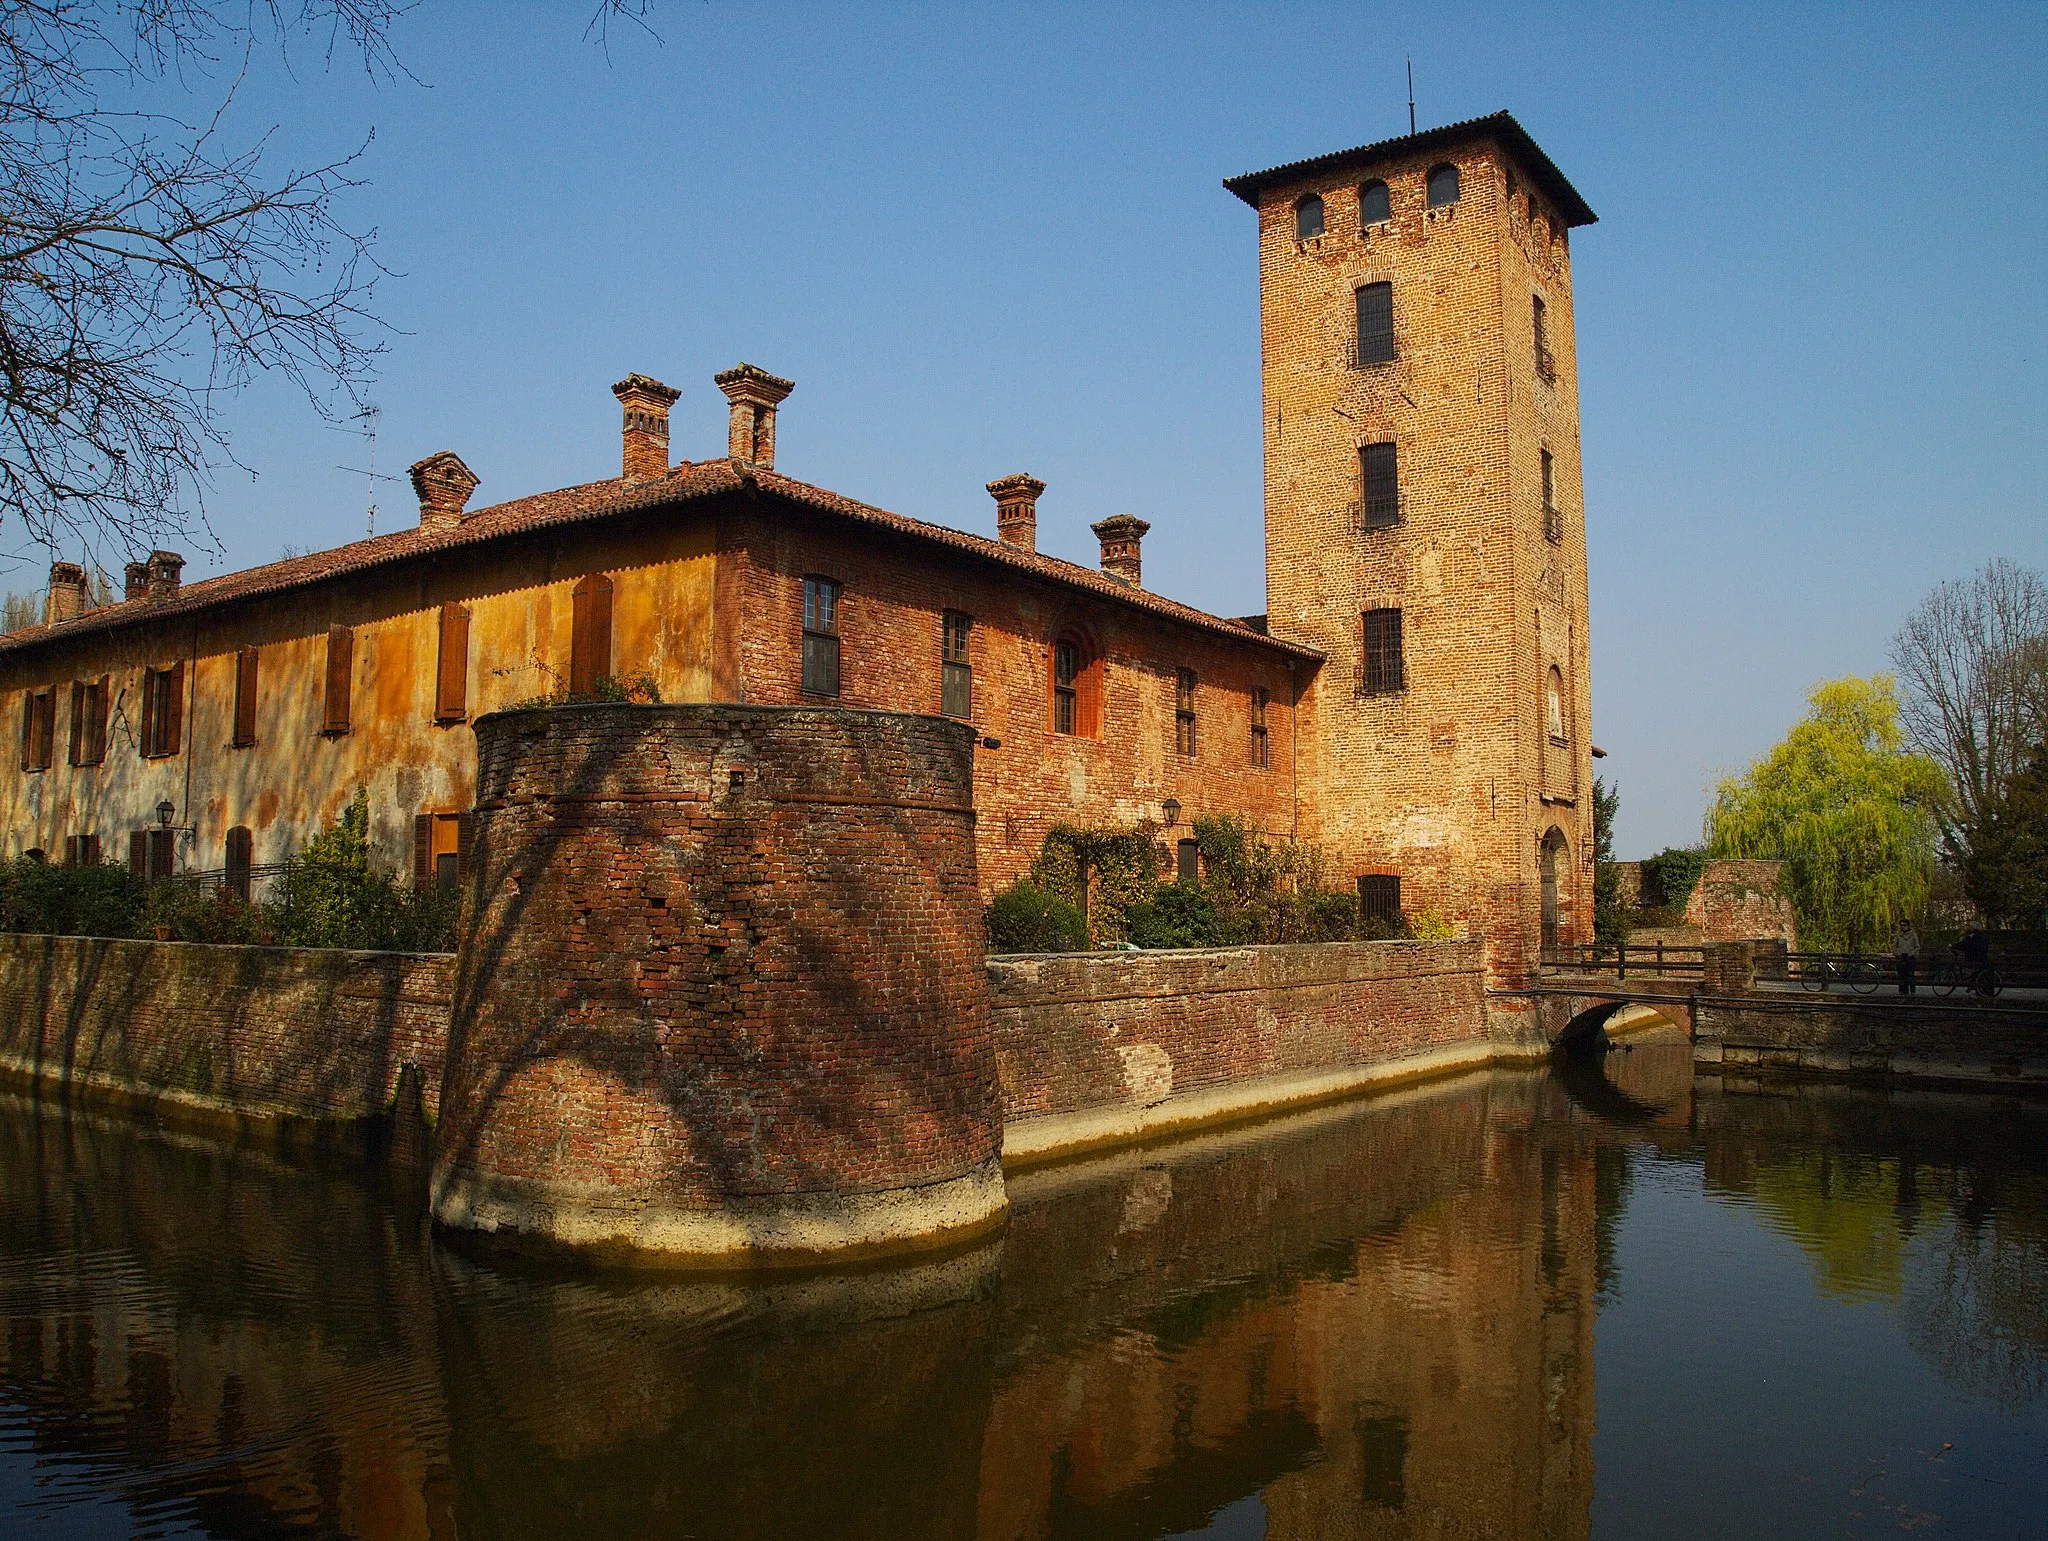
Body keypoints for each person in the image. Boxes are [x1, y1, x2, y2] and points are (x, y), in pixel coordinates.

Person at [1891, 919, 1920, 996]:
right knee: (1901, 976)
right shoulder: (1898, 935)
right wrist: (1896, 953)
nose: (1903, 927)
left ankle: (1912, 992)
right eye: (1901, 925)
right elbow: (1894, 946)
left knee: (1910, 975)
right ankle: (1902, 992)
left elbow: (1917, 946)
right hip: (1900, 957)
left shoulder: (1913, 934)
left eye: (1904, 925)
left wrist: (1914, 954)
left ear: (1908, 926)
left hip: (1910, 957)